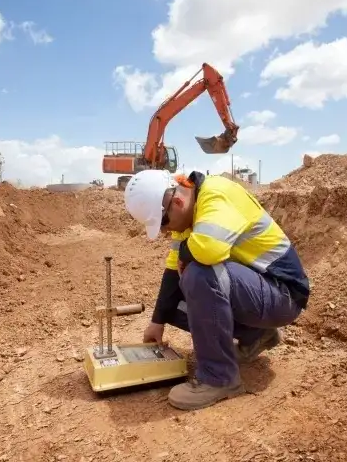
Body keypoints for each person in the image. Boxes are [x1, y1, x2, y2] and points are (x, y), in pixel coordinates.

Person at [123, 169, 310, 411]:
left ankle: (218, 378)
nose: (166, 232)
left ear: (177, 202)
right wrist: (158, 321)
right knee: (176, 301)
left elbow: (209, 250)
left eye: (163, 224)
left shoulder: (215, 194)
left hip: (283, 294)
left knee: (199, 274)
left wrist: (184, 255)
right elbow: (172, 271)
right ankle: (257, 335)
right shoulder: (190, 216)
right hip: (259, 292)